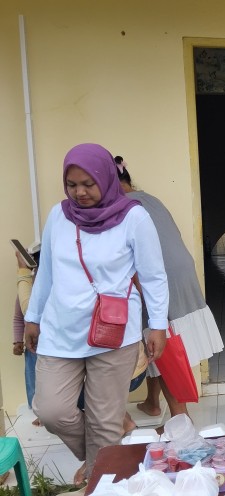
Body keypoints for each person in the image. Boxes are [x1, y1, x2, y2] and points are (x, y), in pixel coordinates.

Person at [23, 143, 169, 487]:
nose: (80, 192)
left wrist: (157, 325)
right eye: (72, 184)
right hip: (61, 330)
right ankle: (99, 459)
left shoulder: (134, 217)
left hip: (113, 332)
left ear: (105, 178)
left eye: (88, 184)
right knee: (51, 410)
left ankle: (99, 478)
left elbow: (153, 276)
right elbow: (47, 272)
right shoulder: (58, 216)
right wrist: (33, 316)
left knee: (105, 422)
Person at [115, 156, 224, 420]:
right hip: (182, 269)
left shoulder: (120, 209)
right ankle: (152, 401)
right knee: (160, 340)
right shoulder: (151, 199)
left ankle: (180, 417)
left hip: (157, 276)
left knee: (162, 346)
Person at [11, 242, 40, 425]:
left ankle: (45, 412)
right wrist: (17, 341)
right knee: (33, 379)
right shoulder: (24, 288)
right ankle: (37, 410)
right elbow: (18, 317)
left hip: (48, 345)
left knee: (48, 381)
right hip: (31, 346)